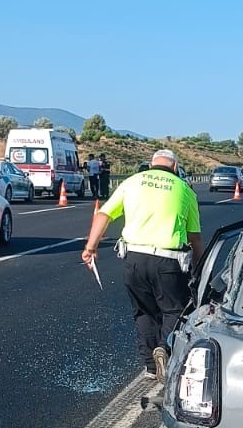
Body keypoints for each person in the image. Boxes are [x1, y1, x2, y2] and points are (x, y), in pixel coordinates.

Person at [81, 148, 202, 402]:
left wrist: (90, 247)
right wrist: (200, 264)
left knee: (144, 311)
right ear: (175, 166)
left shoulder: (132, 182)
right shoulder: (184, 189)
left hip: (134, 258)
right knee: (173, 310)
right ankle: (166, 350)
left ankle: (149, 365)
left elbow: (104, 214)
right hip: (169, 260)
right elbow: (194, 236)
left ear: (151, 164)